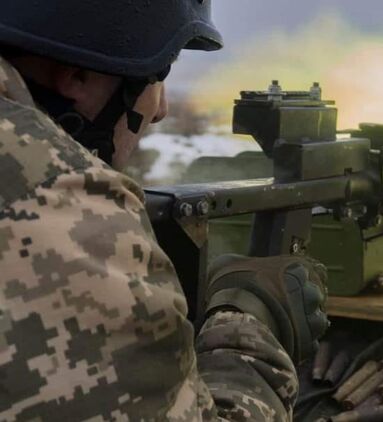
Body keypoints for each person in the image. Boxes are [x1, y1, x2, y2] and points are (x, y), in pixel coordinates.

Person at [0, 1, 328, 421]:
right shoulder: (58, 210)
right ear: (78, 75)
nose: (160, 109)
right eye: (159, 75)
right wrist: (250, 321)